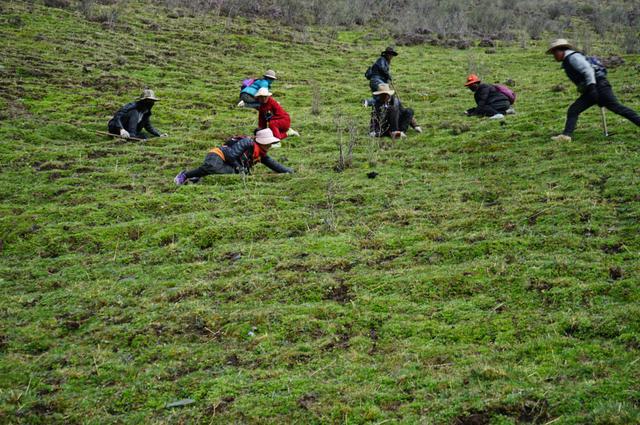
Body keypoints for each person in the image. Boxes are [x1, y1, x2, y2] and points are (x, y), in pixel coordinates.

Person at [546, 39, 640, 142]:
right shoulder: (568, 59)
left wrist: (592, 88)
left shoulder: (573, 57)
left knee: (618, 108)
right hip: (592, 89)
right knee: (574, 110)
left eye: (554, 53)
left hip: (598, 86)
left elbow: (588, 70)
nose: (554, 56)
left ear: (560, 50)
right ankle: (566, 136)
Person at [174, 128, 292, 184]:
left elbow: (275, 165)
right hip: (219, 155)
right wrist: (239, 167)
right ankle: (184, 175)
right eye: (268, 143)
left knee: (234, 175)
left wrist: (289, 171)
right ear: (261, 141)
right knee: (212, 167)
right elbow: (231, 155)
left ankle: (196, 177)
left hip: (227, 163)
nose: (270, 145)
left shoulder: (260, 154)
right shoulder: (248, 142)